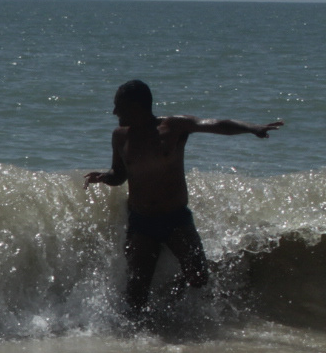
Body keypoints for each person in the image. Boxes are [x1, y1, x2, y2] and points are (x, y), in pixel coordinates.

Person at [83, 79, 282, 316]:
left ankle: (172, 307)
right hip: (141, 222)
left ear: (137, 106)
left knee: (198, 276)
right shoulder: (120, 137)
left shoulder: (173, 127)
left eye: (119, 106)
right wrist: (104, 177)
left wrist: (252, 128)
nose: (115, 112)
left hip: (175, 219)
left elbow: (217, 125)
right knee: (136, 292)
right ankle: (137, 340)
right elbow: (120, 174)